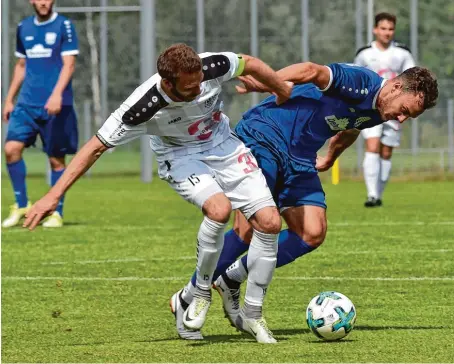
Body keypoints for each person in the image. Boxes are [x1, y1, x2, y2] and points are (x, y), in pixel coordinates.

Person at [23, 43, 293, 344]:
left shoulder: (211, 66)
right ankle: (201, 293)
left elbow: (250, 63)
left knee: (270, 222)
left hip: (223, 146)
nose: (198, 88)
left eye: (199, 81)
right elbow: (95, 146)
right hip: (179, 156)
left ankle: (253, 315)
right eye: (189, 87)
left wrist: (281, 90)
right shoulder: (143, 105)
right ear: (168, 82)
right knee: (219, 210)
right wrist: (53, 196)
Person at [175, 62, 438, 338]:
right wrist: (270, 82)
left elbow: (351, 127)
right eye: (405, 111)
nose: (401, 119)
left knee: (312, 232)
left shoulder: (382, 109)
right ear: (396, 87)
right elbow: (313, 71)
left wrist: (330, 157)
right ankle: (188, 297)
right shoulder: (361, 82)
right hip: (267, 135)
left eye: (409, 117)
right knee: (248, 228)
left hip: (300, 157)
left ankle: (231, 277)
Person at [2, 0, 79, 228]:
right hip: (26, 104)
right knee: (10, 149)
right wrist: (8, 99)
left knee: (56, 160)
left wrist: (56, 94)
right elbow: (21, 65)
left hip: (56, 105)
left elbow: (69, 64)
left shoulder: (64, 25)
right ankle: (21, 205)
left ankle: (56, 212)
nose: (44, 2)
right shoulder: (23, 27)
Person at [354, 12, 416, 207]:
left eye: (390, 29)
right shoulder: (365, 54)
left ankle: (378, 194)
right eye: (383, 28)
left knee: (386, 152)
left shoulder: (402, 54)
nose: (386, 32)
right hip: (370, 106)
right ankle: (371, 194)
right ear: (375, 30)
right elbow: (355, 77)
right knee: (372, 146)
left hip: (395, 110)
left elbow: (413, 78)